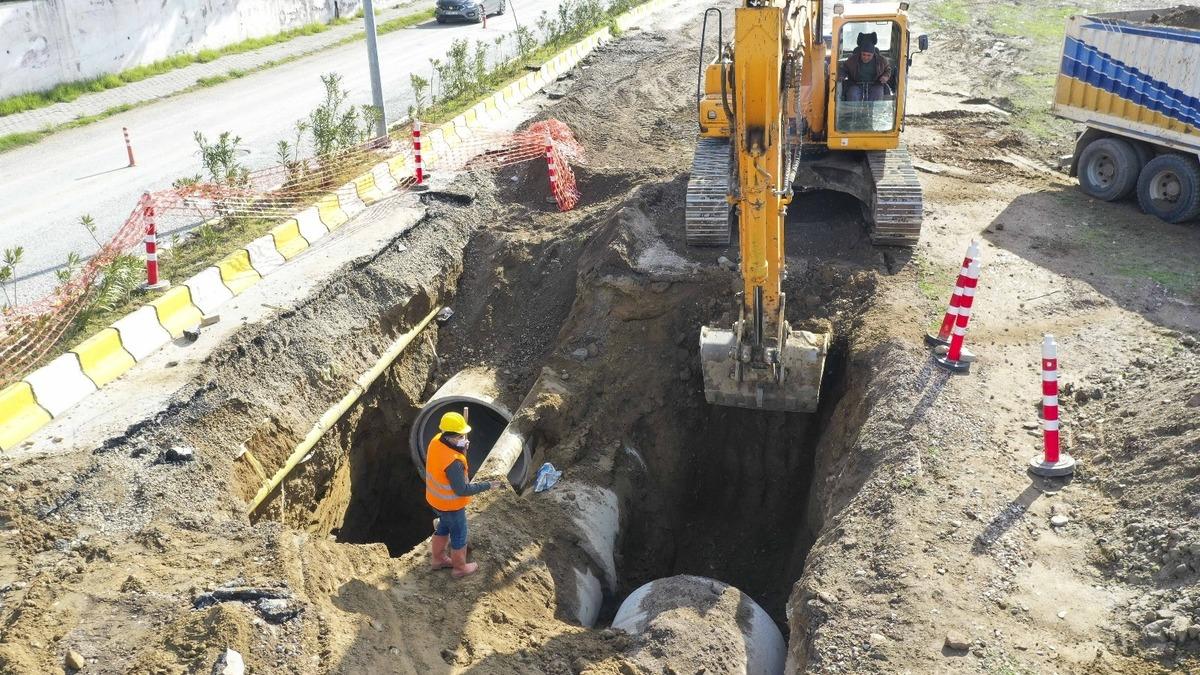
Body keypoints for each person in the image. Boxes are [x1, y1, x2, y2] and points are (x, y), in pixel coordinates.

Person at [426, 411, 495, 578]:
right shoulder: (454, 462)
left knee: (443, 527)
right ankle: (460, 568)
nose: (464, 438)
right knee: (459, 535)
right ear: (452, 437)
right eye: (461, 436)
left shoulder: (436, 441)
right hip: (452, 505)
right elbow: (462, 490)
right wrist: (487, 485)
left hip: (437, 500)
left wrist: (461, 448)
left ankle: (438, 559)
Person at [841, 32, 893, 102]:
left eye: (869, 55)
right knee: (853, 94)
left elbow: (888, 69)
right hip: (856, 84)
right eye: (864, 54)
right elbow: (844, 68)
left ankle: (875, 110)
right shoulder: (852, 60)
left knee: (878, 94)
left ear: (873, 54)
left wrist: (886, 76)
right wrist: (842, 76)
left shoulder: (881, 60)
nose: (866, 57)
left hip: (875, 84)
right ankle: (853, 110)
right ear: (860, 53)